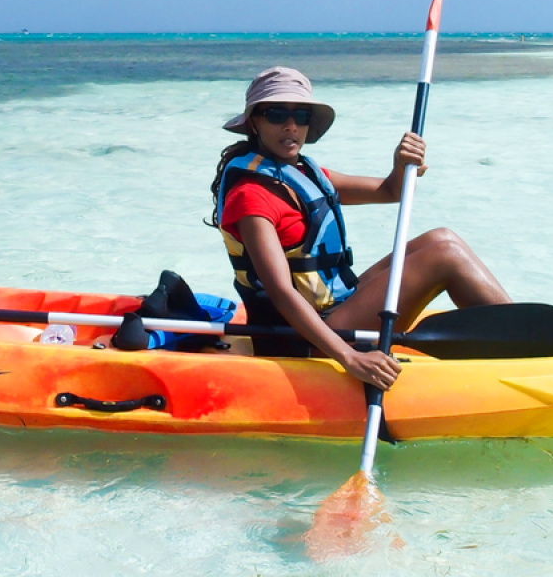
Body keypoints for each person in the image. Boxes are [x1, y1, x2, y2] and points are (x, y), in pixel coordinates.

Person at [210, 67, 515, 391]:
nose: (291, 125)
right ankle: (523, 336)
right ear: (254, 121)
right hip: (305, 338)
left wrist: (401, 165)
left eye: (300, 114)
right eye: (276, 114)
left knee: (442, 238)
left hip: (336, 308)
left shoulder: (304, 172)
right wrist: (349, 358)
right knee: (445, 256)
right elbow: (281, 292)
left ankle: (521, 326)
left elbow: (390, 191)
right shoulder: (251, 196)